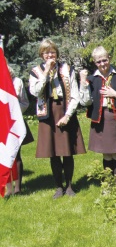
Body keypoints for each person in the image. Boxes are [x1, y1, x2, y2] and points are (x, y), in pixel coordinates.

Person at [29, 39, 86, 198]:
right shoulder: (35, 72)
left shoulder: (67, 69)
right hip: (48, 114)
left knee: (67, 151)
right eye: (46, 52)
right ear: (42, 54)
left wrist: (68, 115)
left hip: (64, 109)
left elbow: (75, 95)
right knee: (53, 153)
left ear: (57, 53)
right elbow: (35, 92)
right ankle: (58, 186)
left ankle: (69, 186)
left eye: (52, 52)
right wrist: (46, 73)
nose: (50, 55)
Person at [79, 46, 116, 194]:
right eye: (99, 62)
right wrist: (83, 85)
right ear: (94, 63)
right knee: (107, 153)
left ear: (109, 58)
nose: (102, 64)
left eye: (104, 60)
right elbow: (85, 102)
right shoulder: (91, 80)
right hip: (101, 119)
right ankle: (108, 185)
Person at [5, 65, 34, 196]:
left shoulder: (17, 82)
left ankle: (18, 188)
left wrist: (14, 110)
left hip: (15, 122)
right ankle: (8, 188)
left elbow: (25, 103)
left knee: (16, 155)